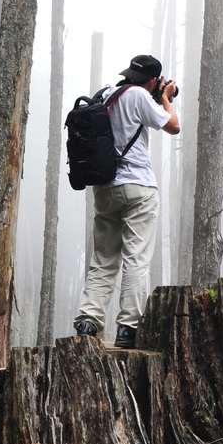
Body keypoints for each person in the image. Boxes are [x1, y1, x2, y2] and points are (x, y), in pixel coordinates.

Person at [73, 54, 179, 349]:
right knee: (137, 259)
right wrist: (166, 98)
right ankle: (128, 329)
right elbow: (173, 126)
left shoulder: (107, 94)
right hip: (138, 189)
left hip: (105, 188)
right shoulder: (139, 96)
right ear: (154, 80)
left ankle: (88, 321)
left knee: (104, 258)